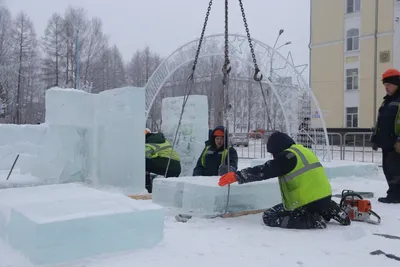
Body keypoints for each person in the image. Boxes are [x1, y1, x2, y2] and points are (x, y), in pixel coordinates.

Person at [217, 131, 350, 229]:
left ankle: (311, 221)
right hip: (325, 197)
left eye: (273, 153)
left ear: (278, 149)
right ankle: (329, 209)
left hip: (305, 202)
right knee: (311, 206)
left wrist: (238, 176)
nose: (273, 157)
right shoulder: (304, 151)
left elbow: (266, 170)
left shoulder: (288, 157)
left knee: (269, 216)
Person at [371, 68, 400, 203]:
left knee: (396, 169)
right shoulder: (386, 101)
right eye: (385, 85)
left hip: (396, 144)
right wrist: (375, 138)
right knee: (388, 169)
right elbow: (380, 122)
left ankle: (396, 195)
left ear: (396, 83)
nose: (386, 87)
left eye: (388, 84)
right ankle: (393, 192)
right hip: (386, 143)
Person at [145, 128, 181, 193]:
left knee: (141, 162)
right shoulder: (161, 140)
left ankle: (147, 188)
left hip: (167, 164)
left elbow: (145, 157)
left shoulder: (149, 143)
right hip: (176, 167)